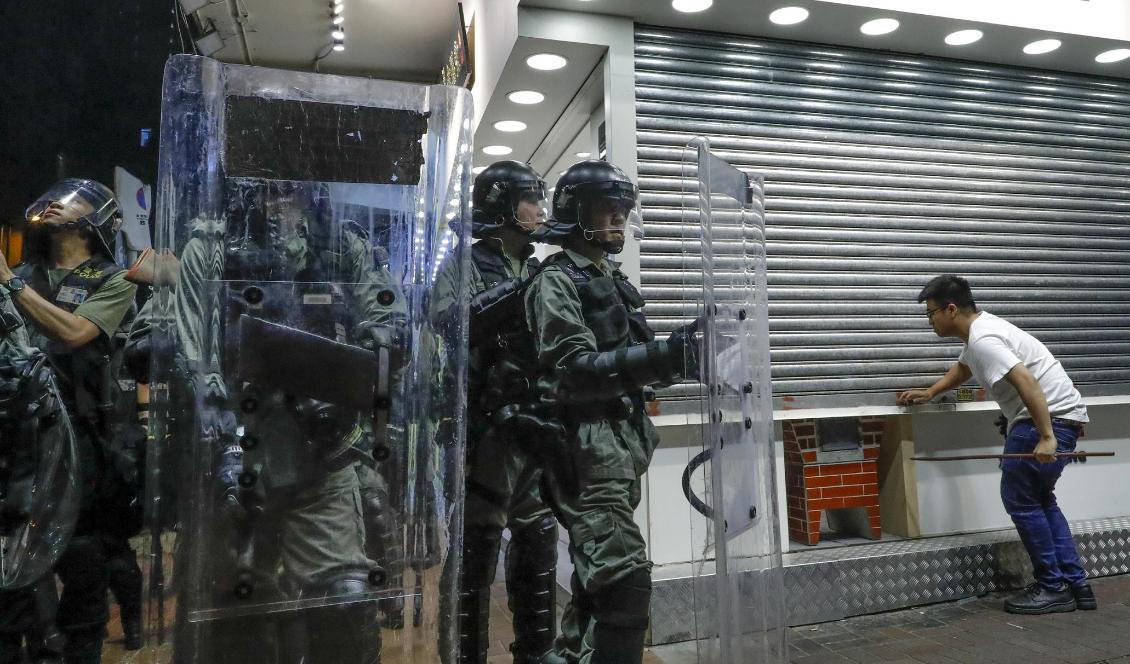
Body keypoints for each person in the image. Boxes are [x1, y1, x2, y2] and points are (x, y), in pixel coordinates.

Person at [523, 160, 699, 664]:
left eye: (623, 212)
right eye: (607, 211)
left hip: (620, 445)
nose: (618, 222)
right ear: (577, 213)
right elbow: (573, 368)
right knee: (624, 582)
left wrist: (679, 354)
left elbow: (630, 359)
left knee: (594, 582)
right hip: (585, 446)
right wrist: (662, 357)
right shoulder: (555, 280)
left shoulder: (610, 278)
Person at [0, 178, 139, 664]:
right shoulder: (24, 272)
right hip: (23, 439)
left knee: (85, 567)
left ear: (94, 219)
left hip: (86, 439)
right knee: (16, 576)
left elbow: (76, 332)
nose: (58, 204)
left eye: (74, 201)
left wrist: (10, 285)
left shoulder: (114, 280)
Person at [897, 275, 1095, 615]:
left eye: (931, 314)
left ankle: (1053, 586)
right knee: (1040, 501)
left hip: (1040, 422)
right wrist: (931, 392)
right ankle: (1076, 585)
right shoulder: (980, 337)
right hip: (1061, 418)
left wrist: (1047, 436)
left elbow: (1026, 381)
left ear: (951, 309)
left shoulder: (985, 339)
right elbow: (963, 368)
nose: (929, 321)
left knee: (1021, 501)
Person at [432, 160, 561, 664]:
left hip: (532, 426)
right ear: (503, 205)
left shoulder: (536, 266)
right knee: (475, 551)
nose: (539, 209)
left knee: (537, 540)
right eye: (530, 198)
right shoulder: (464, 265)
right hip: (483, 430)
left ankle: (536, 650)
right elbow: (450, 324)